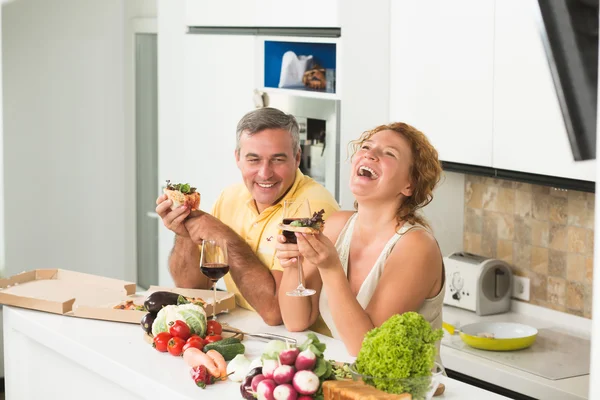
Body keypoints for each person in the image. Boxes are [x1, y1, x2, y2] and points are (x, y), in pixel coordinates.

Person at [155, 107, 339, 327]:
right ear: (238, 158)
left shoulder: (312, 208)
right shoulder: (230, 196)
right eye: (253, 160)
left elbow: (276, 313)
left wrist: (223, 235)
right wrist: (184, 232)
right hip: (246, 325)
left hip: (303, 344)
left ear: (297, 157)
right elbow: (192, 286)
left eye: (277, 160)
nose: (264, 173)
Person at [275, 122, 446, 355]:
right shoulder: (337, 224)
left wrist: (331, 268)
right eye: (366, 147)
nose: (370, 154)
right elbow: (296, 321)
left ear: (409, 184)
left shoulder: (416, 246)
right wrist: (293, 265)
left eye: (389, 153)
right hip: (350, 381)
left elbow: (367, 348)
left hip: (408, 389)